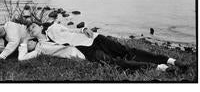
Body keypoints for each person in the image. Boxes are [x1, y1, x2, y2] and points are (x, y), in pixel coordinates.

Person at [25, 22, 187, 71]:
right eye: (30, 30)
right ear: (31, 35)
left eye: (33, 26)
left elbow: (71, 30)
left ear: (39, 26)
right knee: (116, 63)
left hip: (93, 40)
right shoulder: (41, 47)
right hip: (85, 52)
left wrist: (83, 29)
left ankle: (170, 60)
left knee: (128, 52)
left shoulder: (53, 27)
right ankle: (160, 67)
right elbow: (22, 57)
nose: (32, 28)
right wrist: (22, 44)